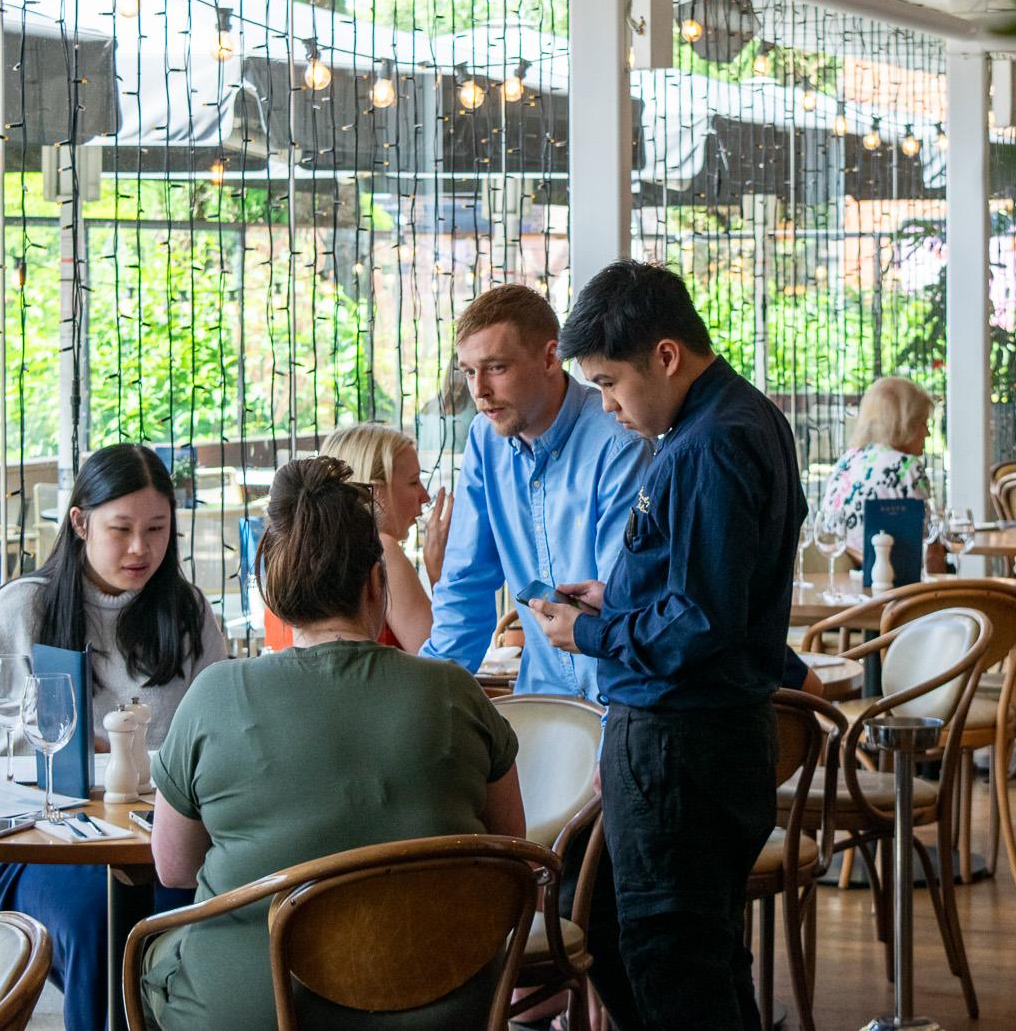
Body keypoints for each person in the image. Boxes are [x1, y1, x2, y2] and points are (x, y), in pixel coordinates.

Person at [143, 456, 525, 1031]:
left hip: (259, 1008)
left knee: (151, 955)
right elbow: (510, 854)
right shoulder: (453, 691)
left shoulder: (217, 695)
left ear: (273, 582)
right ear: (377, 582)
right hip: (444, 1005)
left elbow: (173, 867)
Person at [527, 259, 811, 1031]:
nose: (609, 406)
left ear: (665, 356)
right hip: (698, 741)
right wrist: (615, 597)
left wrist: (588, 631)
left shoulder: (710, 443)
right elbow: (703, 586)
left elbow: (699, 623)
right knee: (665, 947)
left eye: (612, 382)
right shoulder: (737, 420)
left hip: (682, 746)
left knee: (670, 958)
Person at [0, 442, 228, 1031]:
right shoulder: (26, 607)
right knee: (100, 922)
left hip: (157, 834)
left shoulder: (186, 611)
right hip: (43, 836)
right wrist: (63, 743)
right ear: (79, 522)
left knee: (199, 914)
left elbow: (217, 725)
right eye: (121, 529)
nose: (141, 548)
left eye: (157, 529)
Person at [421, 282, 650, 700]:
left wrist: (614, 749)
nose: (479, 391)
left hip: (616, 701)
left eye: (495, 368)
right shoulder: (484, 439)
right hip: (541, 700)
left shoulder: (619, 442)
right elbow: (465, 584)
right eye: (468, 372)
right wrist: (423, 704)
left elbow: (624, 607)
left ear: (550, 356)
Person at [317, 422, 439, 650]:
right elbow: (442, 662)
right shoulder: (381, 548)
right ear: (374, 491)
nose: (425, 495)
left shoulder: (310, 549)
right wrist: (441, 574)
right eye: (414, 482)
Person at [814, 374, 945, 569]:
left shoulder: (848, 461)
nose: (927, 433)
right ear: (905, 425)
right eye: (923, 423)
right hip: (892, 587)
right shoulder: (906, 468)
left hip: (843, 580)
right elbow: (929, 548)